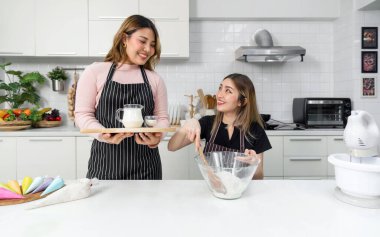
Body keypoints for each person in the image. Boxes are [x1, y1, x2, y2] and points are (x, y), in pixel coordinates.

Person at [75, 15, 169, 180]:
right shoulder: (95, 72)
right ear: (125, 39)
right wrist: (102, 133)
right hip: (105, 165)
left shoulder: (154, 79)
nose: (148, 49)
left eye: (152, 45)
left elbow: (162, 118)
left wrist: (157, 137)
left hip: (146, 167)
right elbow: (82, 115)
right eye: (143, 41)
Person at [168, 73, 271, 179]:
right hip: (213, 190)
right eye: (220, 88)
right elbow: (172, 146)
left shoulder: (255, 130)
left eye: (228, 91)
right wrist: (188, 125)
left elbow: (259, 176)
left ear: (242, 101)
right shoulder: (208, 123)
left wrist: (254, 164)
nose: (219, 95)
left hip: (241, 191)